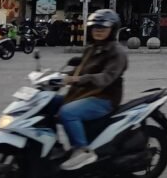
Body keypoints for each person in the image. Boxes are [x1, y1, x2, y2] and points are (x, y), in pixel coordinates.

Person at [52, 9, 129, 171]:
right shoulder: (92, 48)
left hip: (104, 98)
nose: (99, 31)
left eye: (103, 28)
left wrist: (78, 79)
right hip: (84, 93)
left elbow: (106, 78)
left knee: (68, 112)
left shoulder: (117, 52)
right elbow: (80, 70)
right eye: (95, 28)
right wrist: (56, 76)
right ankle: (54, 145)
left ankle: (82, 150)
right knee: (48, 102)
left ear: (113, 30)